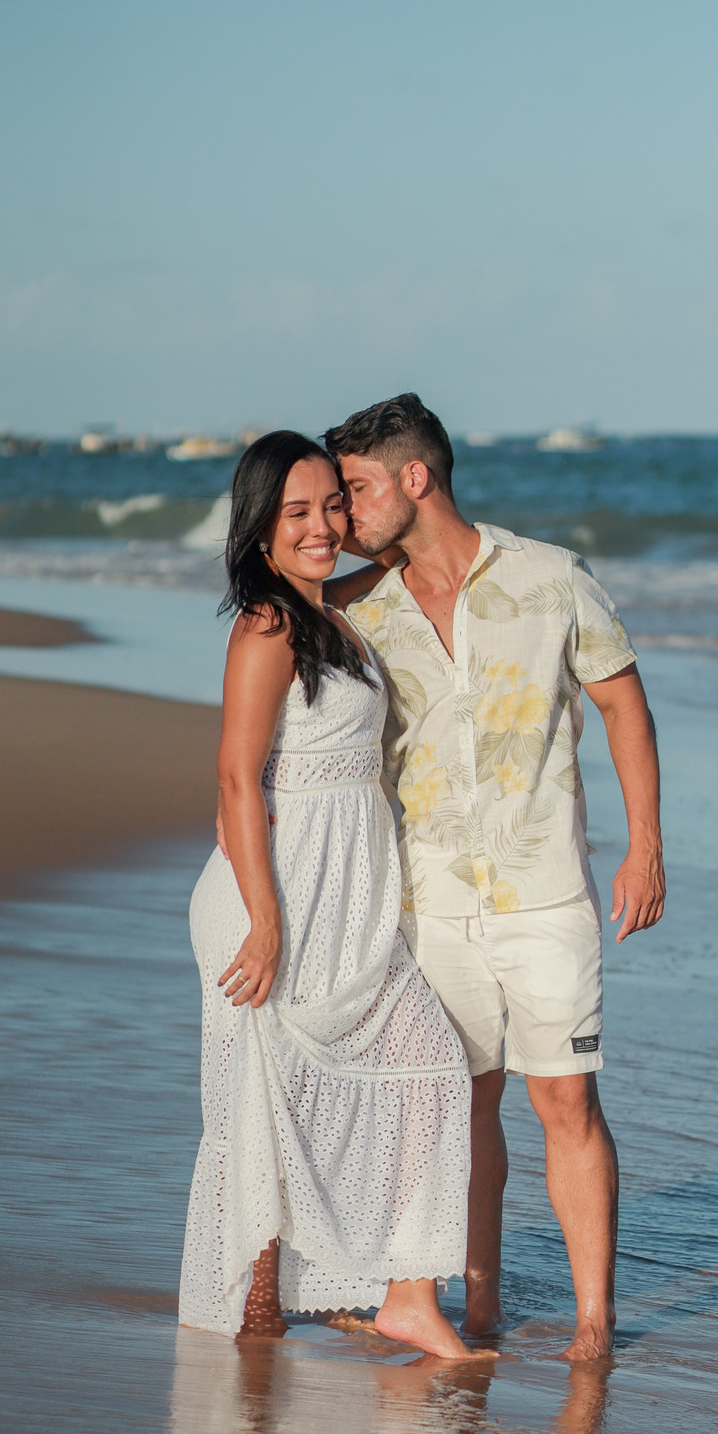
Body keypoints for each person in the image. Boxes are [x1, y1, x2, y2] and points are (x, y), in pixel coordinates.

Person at [324, 394, 665, 1362]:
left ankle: (595, 1325)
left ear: (416, 479)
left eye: (356, 488)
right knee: (460, 1104)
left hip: (546, 892)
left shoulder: (554, 578)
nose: (344, 514)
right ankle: (475, 1310)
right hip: (429, 904)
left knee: (567, 1102)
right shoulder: (358, 610)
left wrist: (646, 843)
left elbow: (621, 703)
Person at [178, 430, 476, 1360]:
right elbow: (235, 780)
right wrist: (265, 923)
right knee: (262, 1111)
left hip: (343, 897)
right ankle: (255, 1328)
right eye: (297, 512)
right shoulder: (267, 625)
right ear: (260, 527)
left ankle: (406, 1295)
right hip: (276, 896)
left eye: (331, 506)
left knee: (427, 1067)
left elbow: (408, 558)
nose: (321, 527)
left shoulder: (333, 614)